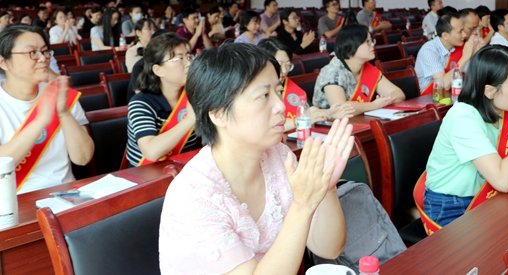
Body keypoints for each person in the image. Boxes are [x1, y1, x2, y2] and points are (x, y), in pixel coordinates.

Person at [159, 43, 353, 275]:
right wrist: (303, 204)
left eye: (278, 92)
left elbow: (328, 249)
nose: (280, 106)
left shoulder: (279, 156)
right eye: (263, 96)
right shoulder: (194, 195)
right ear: (218, 114)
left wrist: (325, 188)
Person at [424, 46, 508, 227]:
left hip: (491, 198)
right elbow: (503, 181)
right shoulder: (463, 118)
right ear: (490, 91)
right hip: (452, 205)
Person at [0, 25, 94, 193]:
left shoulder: (61, 95)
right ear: (4, 62)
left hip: (65, 194)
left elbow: (83, 158)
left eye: (44, 51)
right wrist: (40, 121)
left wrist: (64, 113)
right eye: (32, 52)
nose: (43, 58)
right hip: (14, 201)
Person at [126, 33, 198, 167]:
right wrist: (190, 119)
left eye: (189, 57)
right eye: (180, 59)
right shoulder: (141, 103)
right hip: (146, 173)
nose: (189, 64)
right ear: (158, 70)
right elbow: (151, 152)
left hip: (184, 170)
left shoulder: (195, 94)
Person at [259, 38, 353, 128]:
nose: (284, 71)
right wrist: (299, 121)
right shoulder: (257, 91)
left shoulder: (288, 85)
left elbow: (310, 110)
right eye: (279, 65)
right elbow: (265, 127)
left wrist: (328, 113)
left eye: (287, 65)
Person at [313, 24, 405, 114]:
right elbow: (340, 109)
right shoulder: (332, 71)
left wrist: (385, 101)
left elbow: (398, 93)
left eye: (372, 41)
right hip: (329, 123)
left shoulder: (366, 67)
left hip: (357, 120)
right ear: (351, 44)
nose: (372, 44)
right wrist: (375, 105)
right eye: (368, 41)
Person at [415, 12, 481, 94]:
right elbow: (443, 85)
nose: (464, 35)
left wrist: (476, 55)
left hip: (451, 94)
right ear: (445, 35)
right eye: (460, 32)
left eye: (463, 30)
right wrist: (465, 57)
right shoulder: (429, 50)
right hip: (429, 97)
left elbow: (471, 76)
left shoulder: (458, 47)